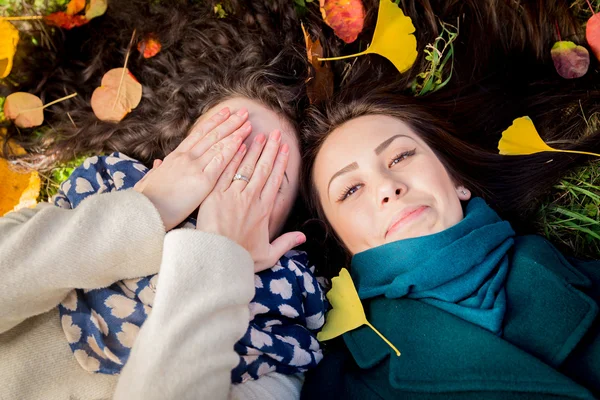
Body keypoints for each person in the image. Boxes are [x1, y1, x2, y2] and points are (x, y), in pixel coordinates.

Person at [0, 1, 326, 398]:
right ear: (170, 161)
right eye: (216, 152)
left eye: (264, 179)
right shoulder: (92, 199)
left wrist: (219, 256)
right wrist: (149, 209)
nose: (230, 187)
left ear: (288, 227)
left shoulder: (282, 335)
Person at [298, 84, 600, 399]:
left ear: (456, 180)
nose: (387, 187)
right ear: (342, 242)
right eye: (351, 190)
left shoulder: (587, 280)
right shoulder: (340, 386)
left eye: (400, 156)